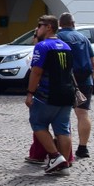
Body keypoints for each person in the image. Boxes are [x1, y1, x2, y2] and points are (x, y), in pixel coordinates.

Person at [26, 14, 76, 175]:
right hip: (67, 93)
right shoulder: (66, 46)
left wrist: (30, 93)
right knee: (63, 129)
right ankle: (64, 164)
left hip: (47, 94)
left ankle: (55, 157)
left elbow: (36, 72)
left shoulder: (43, 46)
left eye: (40, 25)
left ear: (48, 27)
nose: (37, 29)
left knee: (38, 124)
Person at [57, 12, 93, 160]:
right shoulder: (83, 38)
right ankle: (83, 148)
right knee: (83, 114)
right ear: (73, 23)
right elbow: (92, 61)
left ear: (60, 24)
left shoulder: (59, 37)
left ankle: (64, 149)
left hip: (65, 81)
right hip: (85, 81)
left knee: (61, 115)